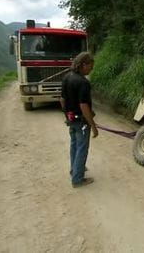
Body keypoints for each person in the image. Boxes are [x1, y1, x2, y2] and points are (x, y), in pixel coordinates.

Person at [60, 52, 98, 188]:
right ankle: (78, 179)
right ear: (83, 64)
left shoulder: (67, 77)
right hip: (81, 121)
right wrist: (93, 126)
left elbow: (62, 100)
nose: (91, 69)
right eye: (90, 66)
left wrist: (66, 116)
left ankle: (74, 169)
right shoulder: (83, 83)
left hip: (71, 119)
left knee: (75, 145)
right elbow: (83, 105)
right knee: (82, 148)